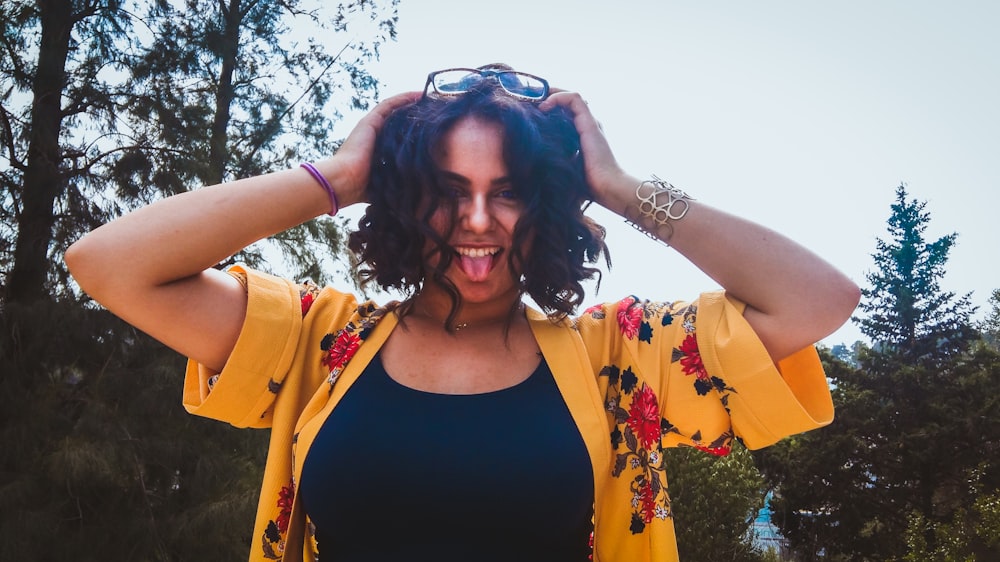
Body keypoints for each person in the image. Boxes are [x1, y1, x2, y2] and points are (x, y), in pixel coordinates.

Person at [65, 64, 860, 562]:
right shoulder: (320, 341)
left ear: (548, 204)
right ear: (408, 201)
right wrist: (338, 177)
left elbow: (818, 299)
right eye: (447, 192)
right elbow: (109, 265)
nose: (478, 220)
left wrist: (620, 188)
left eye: (508, 190)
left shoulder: (623, 357)